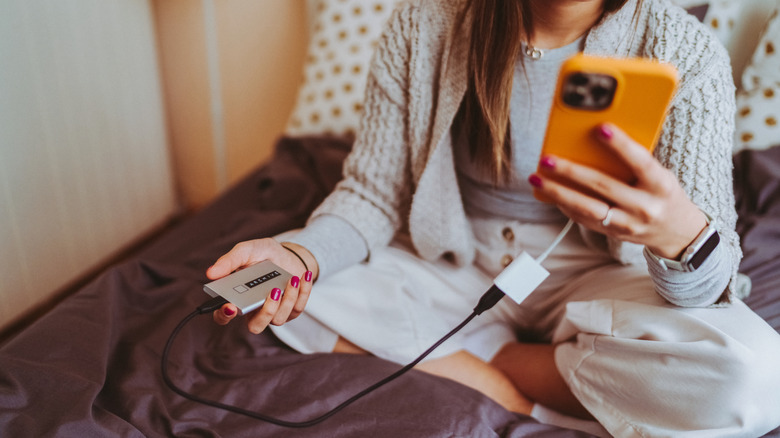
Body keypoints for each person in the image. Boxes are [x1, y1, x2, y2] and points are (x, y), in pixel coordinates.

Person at [206, 0, 780, 435]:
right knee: (271, 287)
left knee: (758, 375)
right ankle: (511, 376)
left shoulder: (685, 52)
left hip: (598, 272)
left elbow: (711, 282)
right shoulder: (424, 26)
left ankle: (495, 357)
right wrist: (301, 256)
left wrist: (679, 236)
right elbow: (371, 196)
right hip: (451, 262)